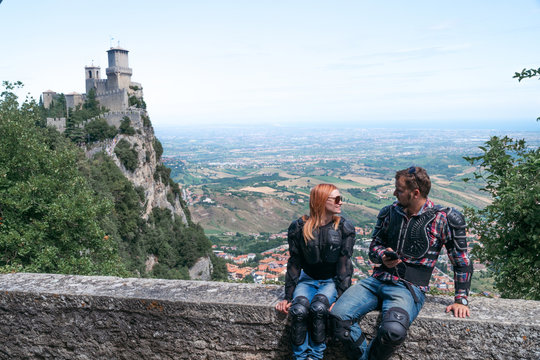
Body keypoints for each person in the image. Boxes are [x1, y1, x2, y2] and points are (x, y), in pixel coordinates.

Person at [330, 166, 473, 360]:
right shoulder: (390, 213)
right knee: (338, 318)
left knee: (393, 331)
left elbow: (461, 261)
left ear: (415, 193)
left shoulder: (443, 219)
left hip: (408, 287)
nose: (394, 193)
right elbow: (374, 248)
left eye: (399, 189)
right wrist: (383, 256)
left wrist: (461, 299)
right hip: (376, 281)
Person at [276, 183, 356, 360]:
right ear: (321, 201)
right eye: (336, 199)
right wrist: (288, 297)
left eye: (340, 198)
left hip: (330, 281)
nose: (340, 202)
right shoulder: (298, 227)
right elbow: (294, 263)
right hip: (307, 279)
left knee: (319, 309)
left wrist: (341, 298)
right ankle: (300, 357)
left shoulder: (344, 227)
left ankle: (315, 357)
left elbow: (344, 265)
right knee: (298, 311)